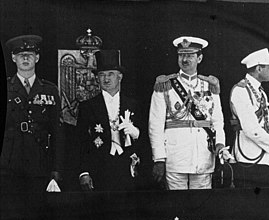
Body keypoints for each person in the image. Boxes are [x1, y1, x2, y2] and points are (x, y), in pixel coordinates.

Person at [149, 36, 226, 190]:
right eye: (181, 55)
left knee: (202, 206)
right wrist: (159, 158)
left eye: (190, 55)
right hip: (175, 157)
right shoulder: (165, 85)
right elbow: (155, 126)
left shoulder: (209, 85)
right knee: (177, 206)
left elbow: (217, 120)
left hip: (203, 156)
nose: (185, 59)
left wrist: (220, 144)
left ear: (200, 58)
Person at [1, 34, 64, 192]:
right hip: (8, 163)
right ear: (13, 58)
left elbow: (57, 131)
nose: (25, 58)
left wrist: (55, 169)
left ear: (37, 58)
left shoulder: (50, 90)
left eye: (29, 55)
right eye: (21, 55)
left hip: (39, 162)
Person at [229, 48, 269, 188]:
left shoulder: (261, 92)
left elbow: (267, 124)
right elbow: (250, 129)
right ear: (259, 68)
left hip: (265, 159)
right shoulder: (241, 91)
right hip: (248, 159)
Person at [77, 49, 141, 191]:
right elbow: (80, 142)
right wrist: (84, 172)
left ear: (120, 77)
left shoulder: (133, 104)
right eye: (102, 75)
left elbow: (145, 138)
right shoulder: (87, 106)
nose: (106, 79)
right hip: (99, 167)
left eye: (111, 74)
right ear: (97, 78)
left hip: (127, 166)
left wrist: (136, 133)